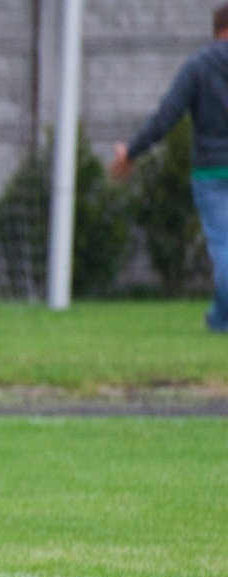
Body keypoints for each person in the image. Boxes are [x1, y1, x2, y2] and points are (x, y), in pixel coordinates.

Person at [111, 2, 228, 333]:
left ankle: (221, 319)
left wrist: (131, 152)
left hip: (211, 172)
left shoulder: (198, 66)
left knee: (223, 245)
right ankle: (221, 319)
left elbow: (166, 116)